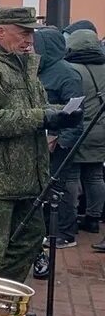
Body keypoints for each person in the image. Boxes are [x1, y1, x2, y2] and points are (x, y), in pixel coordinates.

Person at [0, 8, 82, 316]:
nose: (30, 39)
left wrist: (59, 112)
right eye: (23, 33)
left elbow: (27, 108)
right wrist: (44, 117)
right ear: (1, 33)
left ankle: (2, 301)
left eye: (31, 33)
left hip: (24, 174)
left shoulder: (20, 63)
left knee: (28, 238)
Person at [35, 26, 84, 255]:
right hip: (41, 141)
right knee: (44, 188)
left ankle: (64, 233)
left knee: (58, 188)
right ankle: (45, 229)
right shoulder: (39, 70)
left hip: (60, 143)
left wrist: (62, 141)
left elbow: (76, 112)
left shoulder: (67, 73)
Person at [63, 30, 105, 244]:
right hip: (101, 131)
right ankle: (93, 218)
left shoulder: (71, 69)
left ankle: (69, 222)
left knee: (71, 176)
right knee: (96, 176)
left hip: (80, 131)